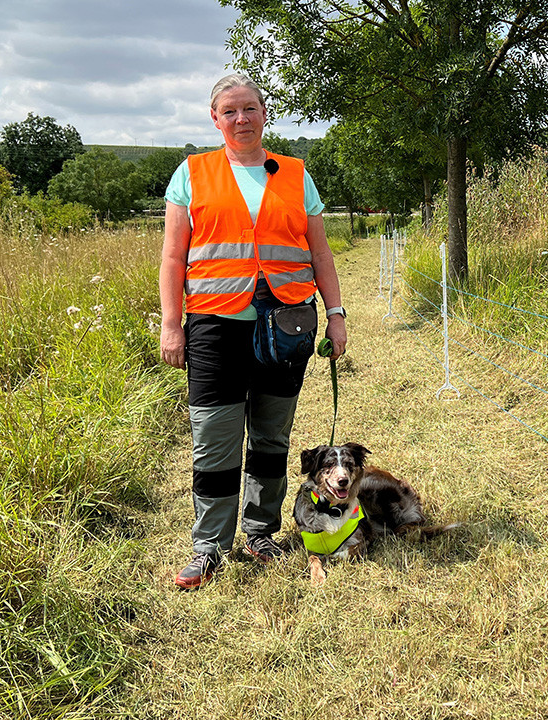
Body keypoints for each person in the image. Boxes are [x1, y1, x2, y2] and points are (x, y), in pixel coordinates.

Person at [159, 74, 347, 590]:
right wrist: (171, 324)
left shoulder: (294, 173)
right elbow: (174, 255)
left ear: (264, 113)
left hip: (287, 323)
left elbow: (320, 252)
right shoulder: (192, 174)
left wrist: (336, 313)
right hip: (214, 326)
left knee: (270, 436)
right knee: (214, 441)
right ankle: (209, 546)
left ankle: (260, 531)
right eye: (229, 111)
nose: (241, 119)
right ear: (215, 119)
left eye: (250, 109)